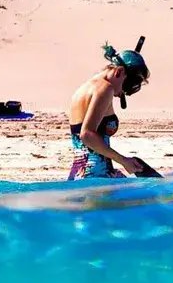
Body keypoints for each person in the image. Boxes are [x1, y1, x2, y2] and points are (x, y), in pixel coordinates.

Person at [67, 38, 160, 180]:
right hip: (97, 175)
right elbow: (86, 135)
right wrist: (123, 160)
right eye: (128, 85)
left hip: (79, 174)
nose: (123, 94)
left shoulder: (86, 87)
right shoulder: (105, 88)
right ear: (119, 72)